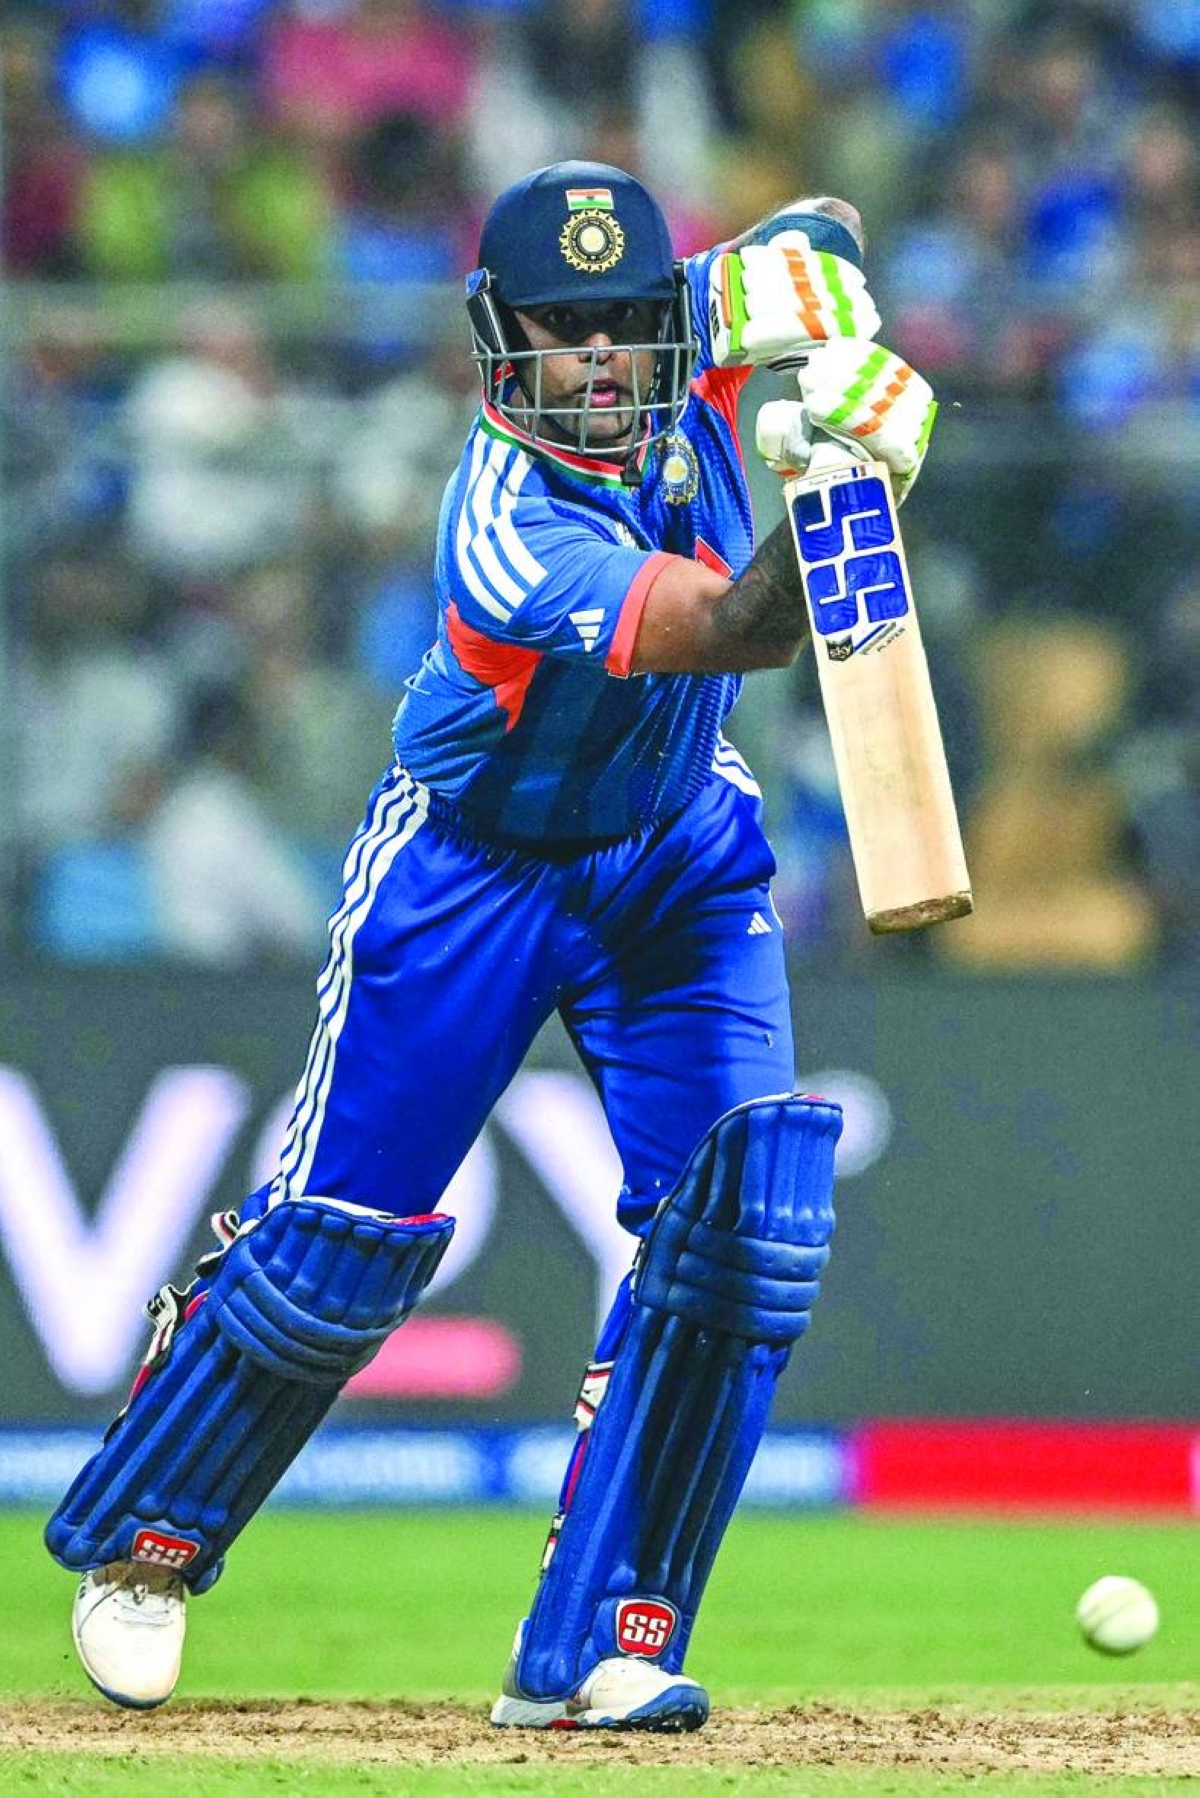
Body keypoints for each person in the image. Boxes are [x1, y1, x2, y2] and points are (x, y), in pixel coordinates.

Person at [46, 161, 936, 1730]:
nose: (595, 362)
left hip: (675, 850)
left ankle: (605, 1638)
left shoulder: (705, 332)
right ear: (497, 339)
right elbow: (739, 627)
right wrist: (841, 481)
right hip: (473, 870)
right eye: (558, 329)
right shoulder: (509, 519)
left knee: (743, 1229)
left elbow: (826, 234)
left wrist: (831, 286)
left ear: (666, 319)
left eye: (620, 326)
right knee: (341, 1246)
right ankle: (144, 1545)